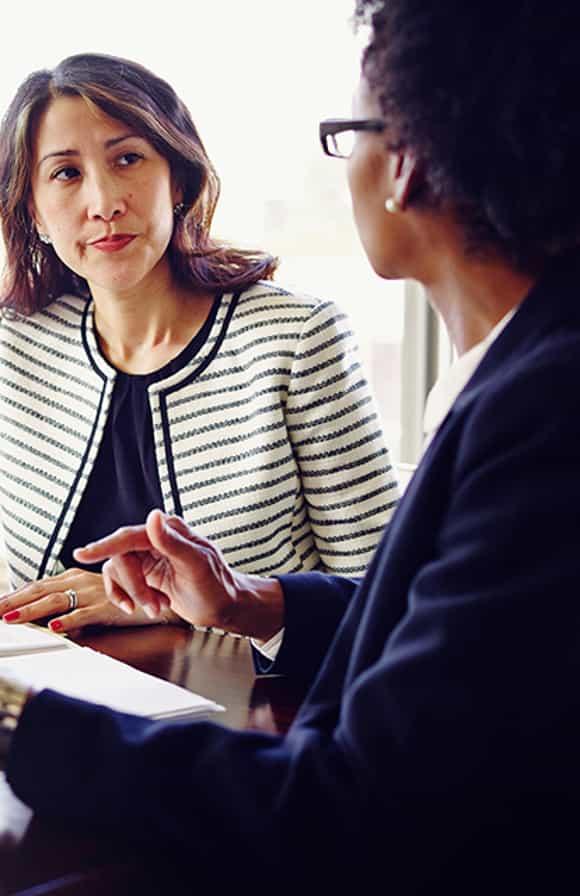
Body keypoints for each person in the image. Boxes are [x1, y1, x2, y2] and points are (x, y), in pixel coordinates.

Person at [3, 1, 580, 890]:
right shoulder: (518, 382)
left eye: (349, 133)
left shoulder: (538, 414)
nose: (103, 200)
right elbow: (421, 622)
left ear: (410, 165)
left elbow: (356, 801)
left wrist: (15, 719)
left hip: (277, 781)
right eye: (64, 174)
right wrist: (245, 599)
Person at [0, 53, 398, 635]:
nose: (104, 202)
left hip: (254, 711)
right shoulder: (16, 346)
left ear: (179, 180)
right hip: (44, 703)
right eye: (66, 173)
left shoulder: (296, 341)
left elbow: (387, 595)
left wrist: (144, 598)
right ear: (33, 209)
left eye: (128, 158)